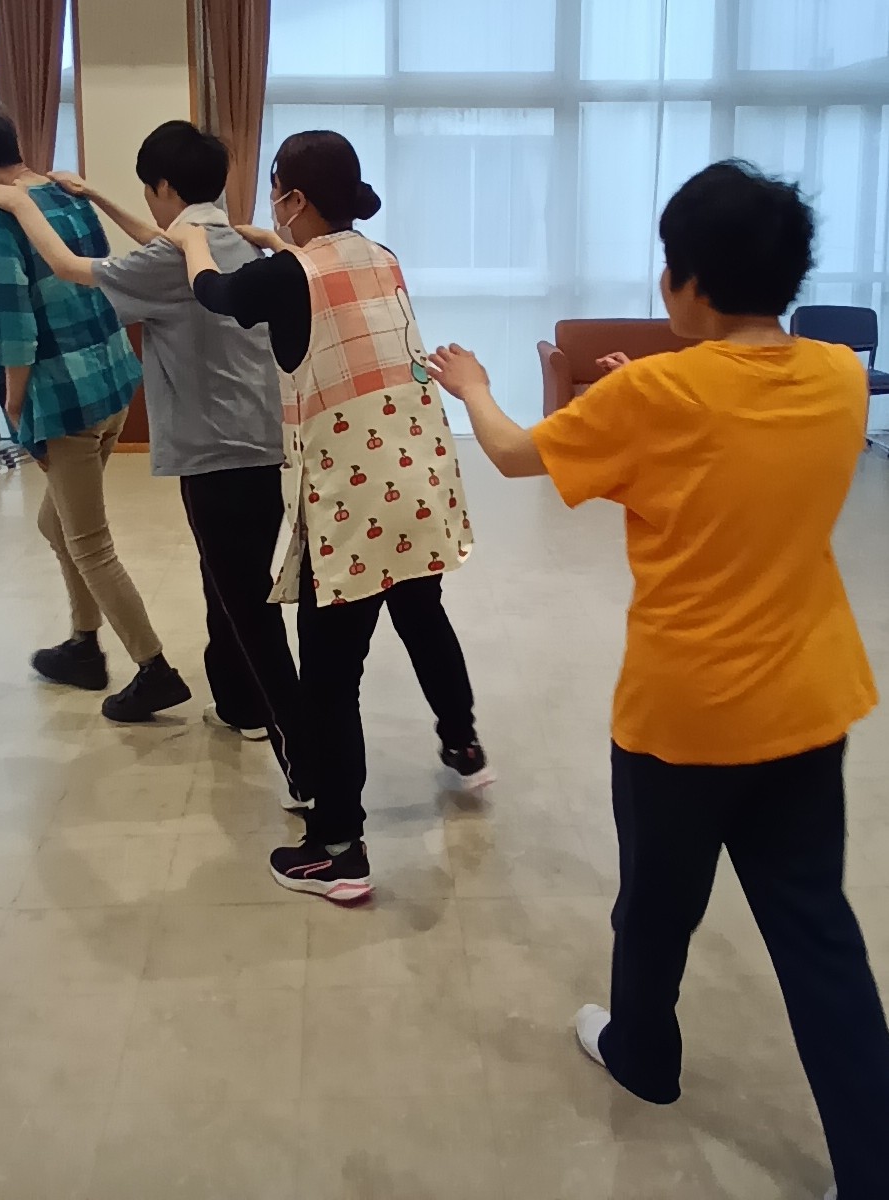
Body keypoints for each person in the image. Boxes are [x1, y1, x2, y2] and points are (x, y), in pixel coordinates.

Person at [428, 159, 889, 1200]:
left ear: (686, 281)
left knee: (655, 906)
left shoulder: (654, 393)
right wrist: (652, 383)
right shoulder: (835, 375)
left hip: (686, 714)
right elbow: (730, 428)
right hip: (808, 698)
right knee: (818, 933)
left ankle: (644, 1052)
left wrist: (473, 387)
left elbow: (514, 455)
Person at [168, 130, 490, 902]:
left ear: (295, 197)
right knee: (422, 615)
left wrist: (191, 242)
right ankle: (463, 742)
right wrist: (272, 242)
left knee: (330, 680)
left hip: (352, 507)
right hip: (417, 484)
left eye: (276, 188)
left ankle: (338, 849)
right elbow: (316, 279)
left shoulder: (285, 275)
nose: (271, 200)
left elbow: (217, 295)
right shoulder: (382, 256)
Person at [0, 120, 308, 808]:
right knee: (230, 585)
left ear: (164, 186)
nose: (147, 203)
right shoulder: (230, 237)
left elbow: (71, 268)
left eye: (146, 191)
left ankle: (293, 748)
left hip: (216, 452)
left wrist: (20, 204)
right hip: (260, 441)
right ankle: (240, 704)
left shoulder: (173, 258)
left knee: (244, 602)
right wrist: (95, 195)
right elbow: (160, 242)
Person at [0, 97, 189, 724]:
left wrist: (14, 401)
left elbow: (13, 321)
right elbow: (100, 279)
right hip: (112, 380)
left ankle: (153, 668)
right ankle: (82, 644)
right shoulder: (63, 190)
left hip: (64, 397)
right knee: (57, 524)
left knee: (90, 543)